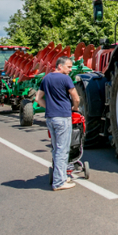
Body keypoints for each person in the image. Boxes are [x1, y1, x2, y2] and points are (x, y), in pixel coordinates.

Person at [36, 56, 80, 191]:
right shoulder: (65, 79)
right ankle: (59, 182)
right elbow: (76, 97)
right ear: (60, 66)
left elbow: (38, 98)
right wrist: (75, 108)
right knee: (63, 150)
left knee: (56, 149)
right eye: (68, 67)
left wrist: (49, 107)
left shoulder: (46, 78)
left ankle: (60, 176)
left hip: (50, 118)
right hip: (63, 117)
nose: (70, 70)